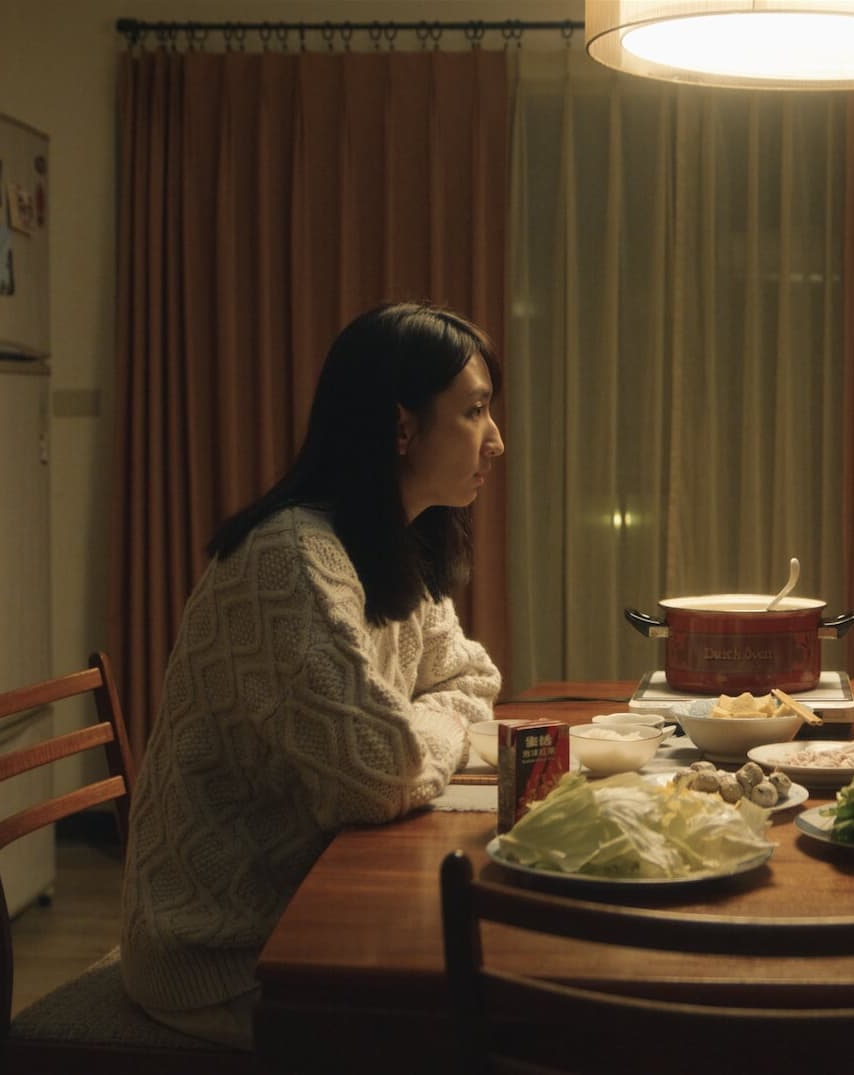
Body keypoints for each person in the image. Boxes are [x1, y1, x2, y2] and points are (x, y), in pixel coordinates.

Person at [120, 302, 506, 1049]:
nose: (496, 439)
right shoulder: (291, 559)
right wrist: (431, 731)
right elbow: (378, 777)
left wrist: (416, 730)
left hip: (301, 908)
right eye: (474, 411)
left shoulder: (388, 541)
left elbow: (470, 678)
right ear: (401, 427)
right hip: (223, 951)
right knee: (479, 1021)